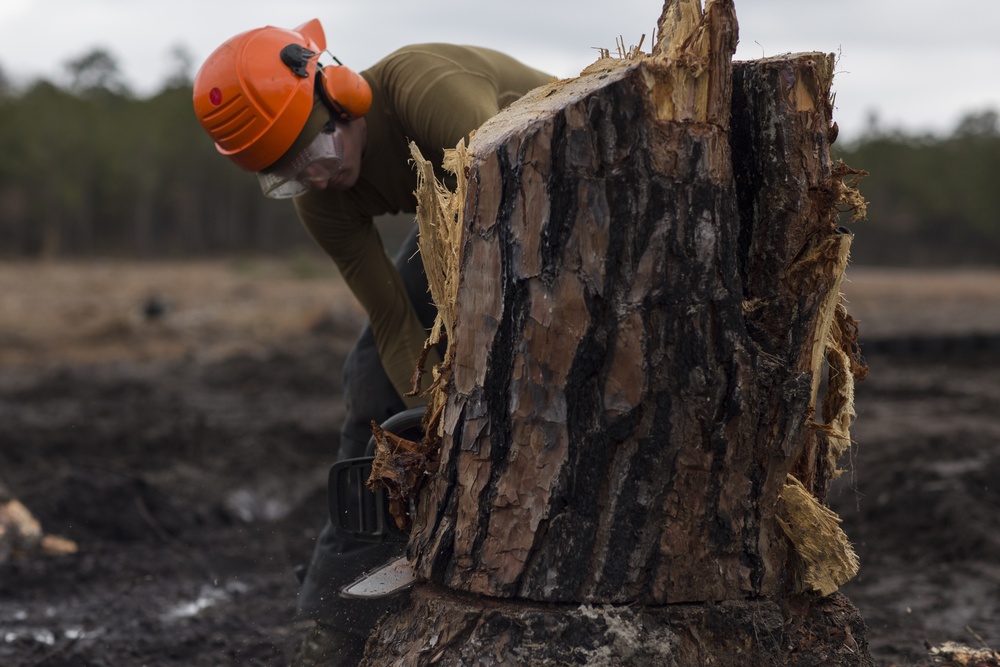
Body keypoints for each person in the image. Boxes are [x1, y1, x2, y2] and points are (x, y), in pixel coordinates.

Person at [192, 19, 552, 664]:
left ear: (342, 93)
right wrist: (436, 413)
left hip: (546, 188)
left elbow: (507, 198)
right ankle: (336, 619)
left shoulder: (424, 86)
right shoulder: (322, 200)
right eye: (290, 175)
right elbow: (393, 324)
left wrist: (479, 384)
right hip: (467, 217)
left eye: (317, 155)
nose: (320, 179)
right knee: (372, 381)